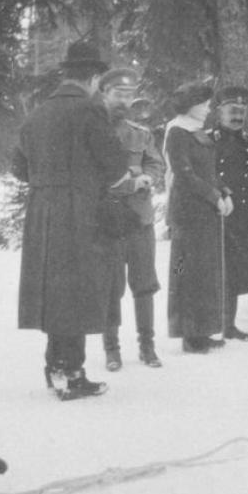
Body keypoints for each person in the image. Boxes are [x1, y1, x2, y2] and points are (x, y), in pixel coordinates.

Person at [12, 42, 128, 400]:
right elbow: (115, 165)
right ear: (94, 78)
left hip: (42, 209)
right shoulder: (90, 111)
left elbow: (18, 166)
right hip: (79, 209)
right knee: (77, 290)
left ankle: (55, 367)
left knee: (54, 290)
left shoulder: (38, 112)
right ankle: (71, 372)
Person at [98, 68, 165, 371]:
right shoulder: (93, 131)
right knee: (111, 287)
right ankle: (111, 349)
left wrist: (148, 177)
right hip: (107, 220)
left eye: (128, 95)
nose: (123, 101)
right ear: (104, 94)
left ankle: (147, 346)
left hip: (139, 219)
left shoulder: (140, 133)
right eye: (117, 94)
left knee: (145, 284)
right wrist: (129, 182)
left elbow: (155, 163)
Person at [165, 81, 233, 353]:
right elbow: (184, 173)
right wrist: (213, 195)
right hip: (186, 213)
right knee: (183, 270)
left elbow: (208, 170)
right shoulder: (177, 131)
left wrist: (224, 192)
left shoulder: (199, 132)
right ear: (191, 105)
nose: (208, 109)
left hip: (205, 213)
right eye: (203, 104)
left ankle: (203, 330)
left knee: (205, 272)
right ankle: (188, 333)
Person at [211, 86, 248, 341]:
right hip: (214, 213)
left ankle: (229, 325)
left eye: (241, 111)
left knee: (234, 271)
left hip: (242, 215)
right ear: (218, 112)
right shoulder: (206, 140)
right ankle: (208, 325)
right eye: (231, 110)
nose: (237, 116)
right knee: (211, 269)